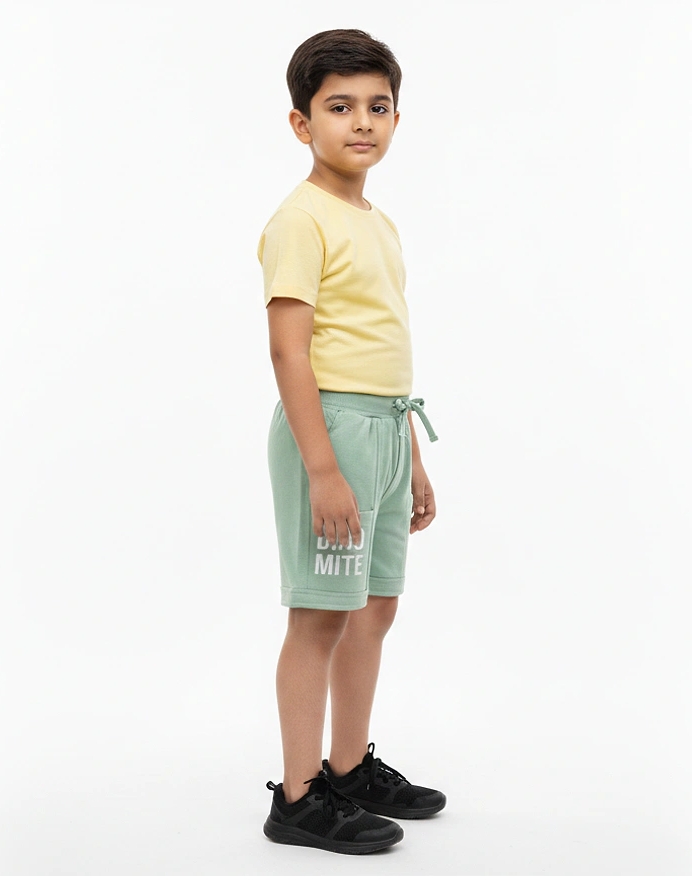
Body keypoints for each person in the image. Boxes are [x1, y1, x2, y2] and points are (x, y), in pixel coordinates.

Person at [256, 28, 446, 855]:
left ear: (396, 118)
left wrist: (411, 457)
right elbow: (289, 351)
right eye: (339, 107)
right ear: (303, 123)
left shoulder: (378, 222)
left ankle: (347, 768)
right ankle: (299, 798)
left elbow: (380, 345)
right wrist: (323, 468)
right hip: (329, 432)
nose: (361, 122)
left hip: (385, 430)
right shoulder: (301, 220)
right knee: (320, 616)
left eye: (378, 106)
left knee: (374, 607)